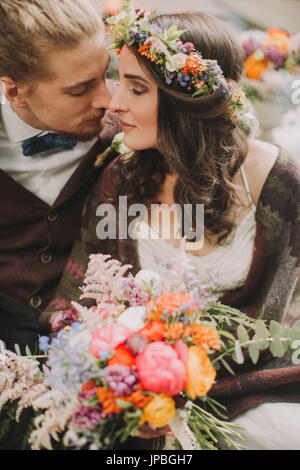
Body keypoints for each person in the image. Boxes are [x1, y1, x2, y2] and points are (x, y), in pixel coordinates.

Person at [40, 3, 300, 449]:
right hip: (133, 398)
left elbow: (286, 323)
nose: (114, 102)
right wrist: (118, 375)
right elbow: (73, 303)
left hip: (251, 390)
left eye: (137, 88)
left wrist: (183, 382)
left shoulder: (279, 184)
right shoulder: (119, 178)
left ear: (189, 103)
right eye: (119, 80)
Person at [0, 0, 121, 353]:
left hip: (80, 336)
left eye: (104, 74)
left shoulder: (130, 124)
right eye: (80, 89)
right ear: (14, 92)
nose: (106, 100)